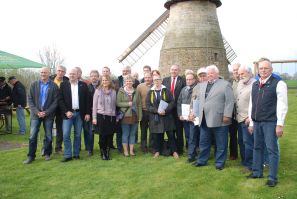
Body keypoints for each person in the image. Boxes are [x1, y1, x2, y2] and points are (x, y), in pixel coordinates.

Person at [247, 58, 288, 187]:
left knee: (272, 150)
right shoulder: (255, 84)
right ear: (258, 70)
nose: (263, 70)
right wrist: (252, 123)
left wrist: (280, 124)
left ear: (271, 69)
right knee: (257, 147)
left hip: (270, 122)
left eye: (266, 68)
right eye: (261, 68)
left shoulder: (278, 83)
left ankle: (272, 177)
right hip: (257, 122)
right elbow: (251, 104)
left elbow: (282, 105)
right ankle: (257, 172)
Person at [193, 65, 234, 170]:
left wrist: (227, 115)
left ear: (217, 73)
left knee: (221, 142)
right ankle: (202, 160)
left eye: (212, 73)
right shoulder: (202, 85)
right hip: (204, 119)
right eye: (208, 73)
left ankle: (220, 162)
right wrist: (196, 113)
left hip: (220, 118)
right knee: (204, 142)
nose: (210, 75)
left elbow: (230, 101)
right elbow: (198, 101)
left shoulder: (225, 84)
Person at [23, 67, 59, 164]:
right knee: (32, 136)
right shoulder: (34, 84)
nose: (43, 74)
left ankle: (47, 153)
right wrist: (36, 112)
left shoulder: (54, 86)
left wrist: (46, 112)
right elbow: (30, 99)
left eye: (45, 72)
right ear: (40, 73)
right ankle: (31, 156)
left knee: (48, 135)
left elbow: (55, 102)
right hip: (35, 115)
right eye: (42, 72)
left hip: (48, 115)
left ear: (49, 73)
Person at [59, 68, 90, 162]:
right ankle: (68, 155)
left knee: (77, 135)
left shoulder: (83, 85)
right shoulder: (63, 85)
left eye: (74, 74)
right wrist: (66, 111)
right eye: (70, 74)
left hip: (79, 114)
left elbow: (87, 101)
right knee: (66, 134)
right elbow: (60, 100)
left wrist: (87, 113)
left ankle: (76, 154)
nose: (71, 75)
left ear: (78, 75)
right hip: (68, 114)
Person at [146, 74, 179, 159]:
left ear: (161, 80)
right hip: (156, 118)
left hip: (167, 116)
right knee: (157, 136)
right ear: (153, 81)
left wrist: (166, 110)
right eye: (155, 80)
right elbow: (148, 105)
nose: (157, 81)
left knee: (171, 135)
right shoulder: (150, 92)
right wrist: (157, 111)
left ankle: (174, 151)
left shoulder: (166, 90)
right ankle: (157, 151)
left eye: (158, 79)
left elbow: (172, 102)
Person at [234, 65, 255, 171]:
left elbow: (256, 103)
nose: (240, 76)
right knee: (241, 141)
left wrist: (250, 117)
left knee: (248, 142)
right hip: (239, 118)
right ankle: (244, 161)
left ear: (249, 73)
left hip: (247, 119)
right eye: (239, 74)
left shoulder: (255, 84)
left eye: (243, 73)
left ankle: (250, 164)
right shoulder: (239, 83)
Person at [162, 64, 186, 155]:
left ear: (178, 71)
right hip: (168, 109)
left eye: (175, 70)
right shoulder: (165, 80)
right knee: (169, 130)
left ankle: (180, 149)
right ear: (170, 70)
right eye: (172, 69)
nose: (173, 71)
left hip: (177, 109)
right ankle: (172, 148)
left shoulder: (182, 80)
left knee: (179, 129)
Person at [116, 74, 142, 157]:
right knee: (125, 134)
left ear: (133, 82)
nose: (129, 82)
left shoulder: (136, 91)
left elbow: (139, 104)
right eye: (127, 81)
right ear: (125, 82)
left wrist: (140, 116)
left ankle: (131, 151)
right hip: (125, 116)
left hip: (134, 115)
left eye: (130, 81)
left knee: (132, 134)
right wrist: (128, 104)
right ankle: (125, 151)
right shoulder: (121, 91)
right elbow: (118, 103)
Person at [187, 67, 208, 162]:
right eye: (201, 76)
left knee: (204, 138)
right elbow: (192, 101)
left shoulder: (210, 87)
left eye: (204, 76)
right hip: (195, 116)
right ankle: (191, 156)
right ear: (198, 78)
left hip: (206, 116)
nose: (202, 78)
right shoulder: (196, 88)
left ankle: (203, 156)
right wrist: (191, 112)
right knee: (192, 136)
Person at [93, 75, 116, 160]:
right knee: (102, 136)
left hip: (111, 117)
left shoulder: (113, 91)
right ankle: (103, 153)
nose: (104, 82)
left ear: (109, 81)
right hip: (100, 116)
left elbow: (114, 105)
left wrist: (115, 116)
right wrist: (94, 118)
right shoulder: (98, 91)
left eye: (106, 80)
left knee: (109, 136)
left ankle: (107, 153)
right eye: (103, 80)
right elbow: (94, 106)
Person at [50, 65, 69, 154]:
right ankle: (47, 148)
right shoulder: (49, 80)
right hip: (50, 108)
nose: (60, 72)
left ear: (65, 73)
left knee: (60, 129)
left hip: (61, 108)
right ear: (56, 71)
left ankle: (58, 148)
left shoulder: (67, 81)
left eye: (62, 71)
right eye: (59, 71)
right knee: (48, 127)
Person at [177, 71, 196, 150]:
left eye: (190, 79)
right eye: (187, 79)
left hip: (193, 117)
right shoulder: (183, 89)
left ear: (194, 80)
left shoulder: (197, 89)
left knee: (194, 135)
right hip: (185, 117)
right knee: (187, 134)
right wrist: (180, 114)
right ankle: (190, 150)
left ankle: (195, 150)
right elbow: (179, 102)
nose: (188, 81)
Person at [136, 72, 153, 153]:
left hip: (153, 112)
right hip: (144, 111)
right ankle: (143, 147)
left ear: (152, 78)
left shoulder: (155, 86)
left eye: (149, 77)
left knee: (152, 130)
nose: (147, 79)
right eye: (146, 77)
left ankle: (152, 146)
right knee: (143, 130)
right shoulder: (140, 86)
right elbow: (137, 100)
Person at [85, 70, 100, 156]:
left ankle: (103, 147)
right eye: (92, 76)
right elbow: (86, 101)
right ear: (90, 77)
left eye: (95, 76)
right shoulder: (87, 87)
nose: (94, 77)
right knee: (91, 132)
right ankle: (90, 149)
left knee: (102, 131)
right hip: (91, 113)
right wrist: (87, 113)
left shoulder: (101, 86)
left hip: (101, 112)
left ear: (98, 77)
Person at [229, 63, 240, 160]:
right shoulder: (230, 82)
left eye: (237, 69)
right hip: (232, 113)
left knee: (243, 136)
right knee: (232, 135)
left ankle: (246, 155)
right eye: (234, 70)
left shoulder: (245, 81)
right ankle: (233, 154)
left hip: (242, 113)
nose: (236, 72)